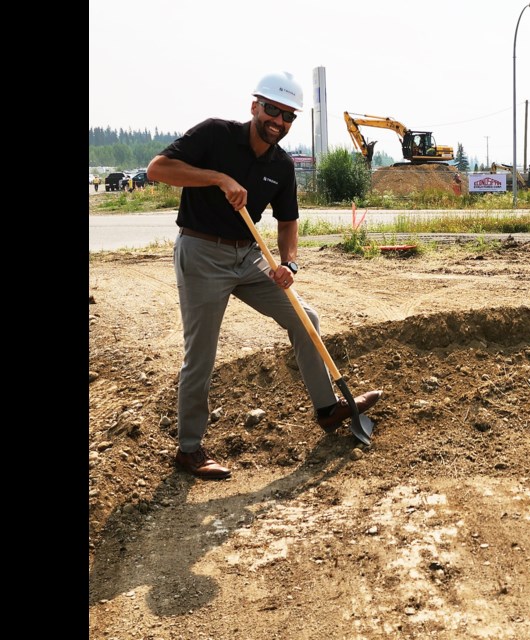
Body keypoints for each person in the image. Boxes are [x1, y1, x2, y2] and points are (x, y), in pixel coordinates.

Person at [146, 71, 383, 480]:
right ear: (254, 106)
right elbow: (158, 168)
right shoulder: (215, 135)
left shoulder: (282, 164)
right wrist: (218, 178)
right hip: (202, 251)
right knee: (200, 353)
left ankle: (327, 409)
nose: (279, 120)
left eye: (288, 116)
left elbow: (288, 222)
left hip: (250, 257)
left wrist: (288, 264)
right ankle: (189, 449)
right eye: (272, 110)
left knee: (305, 318)